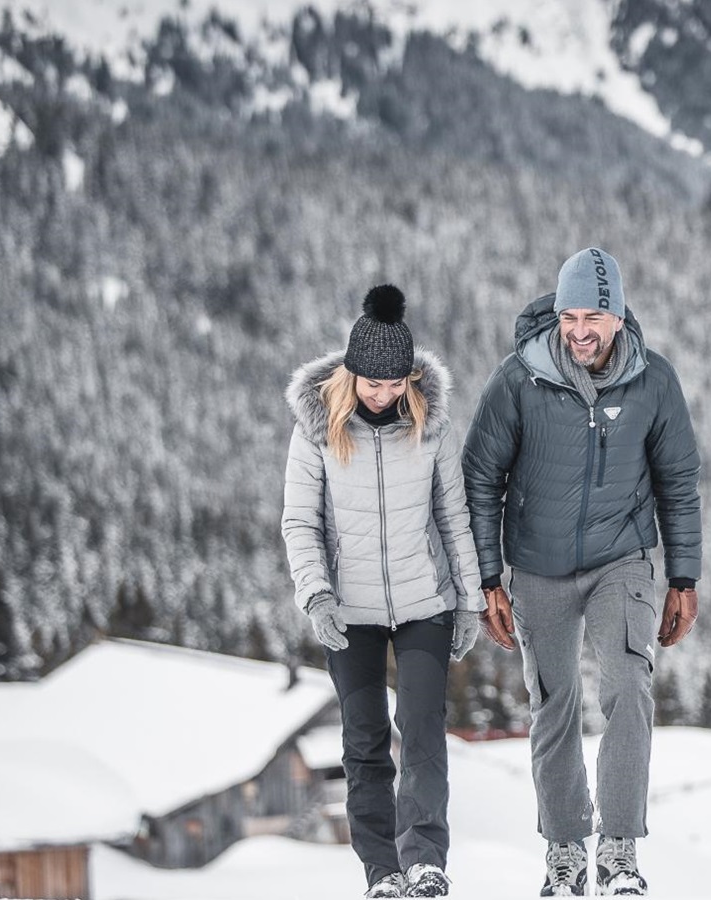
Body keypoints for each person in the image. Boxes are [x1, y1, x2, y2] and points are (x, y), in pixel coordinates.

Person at [464, 247, 702, 897]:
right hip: (537, 568)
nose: (579, 330)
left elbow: (678, 482)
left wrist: (683, 577)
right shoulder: (519, 379)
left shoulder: (653, 382)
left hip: (620, 559)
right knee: (554, 702)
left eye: (593, 314)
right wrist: (488, 579)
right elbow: (480, 477)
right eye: (569, 315)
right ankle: (565, 851)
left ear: (618, 315)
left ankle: (619, 851)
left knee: (628, 683)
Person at [281, 285, 485, 899]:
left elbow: (454, 517)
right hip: (350, 610)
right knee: (364, 740)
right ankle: (382, 872)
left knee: (422, 728)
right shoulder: (316, 430)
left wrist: (470, 599)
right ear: (350, 371)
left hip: (426, 602)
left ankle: (424, 860)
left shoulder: (430, 426)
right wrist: (316, 594)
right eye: (371, 382)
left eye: (394, 383)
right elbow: (300, 522)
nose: (382, 393)